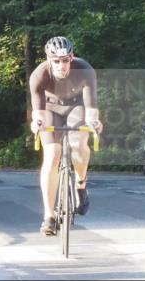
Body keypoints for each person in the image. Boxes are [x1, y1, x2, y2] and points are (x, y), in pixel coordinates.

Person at [29, 36, 103, 236]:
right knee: (52, 155)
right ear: (48, 59)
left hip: (77, 106)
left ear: (72, 57)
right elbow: (38, 111)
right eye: (56, 61)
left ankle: (81, 183)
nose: (61, 66)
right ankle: (49, 216)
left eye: (65, 60)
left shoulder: (85, 70)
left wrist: (94, 121)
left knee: (78, 142)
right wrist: (37, 123)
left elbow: (91, 108)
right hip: (50, 109)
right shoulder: (39, 75)